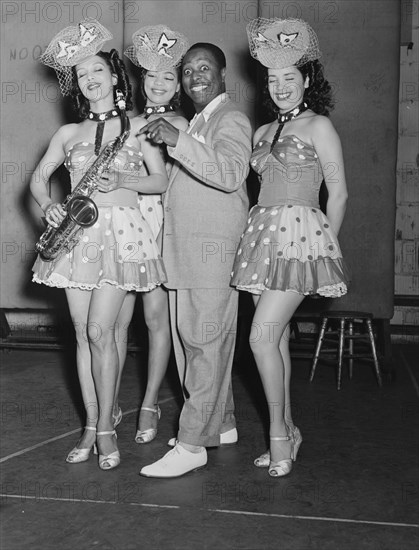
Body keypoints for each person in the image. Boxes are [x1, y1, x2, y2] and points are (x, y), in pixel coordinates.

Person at [30, 19, 168, 470]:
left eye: (97, 71)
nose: (90, 80)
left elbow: (160, 178)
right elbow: (38, 177)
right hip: (76, 237)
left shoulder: (141, 126)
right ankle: (92, 423)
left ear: (113, 76)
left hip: (122, 235)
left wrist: (125, 178)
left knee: (98, 330)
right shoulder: (68, 134)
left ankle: (107, 427)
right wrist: (47, 205)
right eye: (81, 75)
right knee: (81, 333)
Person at [230, 18, 349, 477]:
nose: (280, 87)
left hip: (303, 238)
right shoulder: (261, 133)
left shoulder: (319, 125)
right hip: (261, 238)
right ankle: (288, 430)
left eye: (289, 78)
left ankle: (279, 436)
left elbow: (337, 193)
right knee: (272, 339)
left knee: (259, 336)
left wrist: (326, 248)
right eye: (273, 79)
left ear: (306, 81)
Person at [137, 42, 253, 478]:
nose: (194, 76)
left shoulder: (231, 118)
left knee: (204, 345)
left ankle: (191, 445)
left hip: (213, 252)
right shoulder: (200, 120)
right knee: (194, 344)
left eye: (204, 67)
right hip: (184, 251)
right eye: (186, 70)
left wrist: (176, 138)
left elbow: (228, 174)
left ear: (224, 75)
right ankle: (219, 425)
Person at [123, 25, 189, 445]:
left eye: (168, 77)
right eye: (152, 76)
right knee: (115, 320)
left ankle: (150, 402)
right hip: (126, 222)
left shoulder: (182, 122)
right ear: (141, 80)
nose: (159, 84)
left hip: (164, 224)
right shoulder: (127, 123)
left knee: (155, 319)